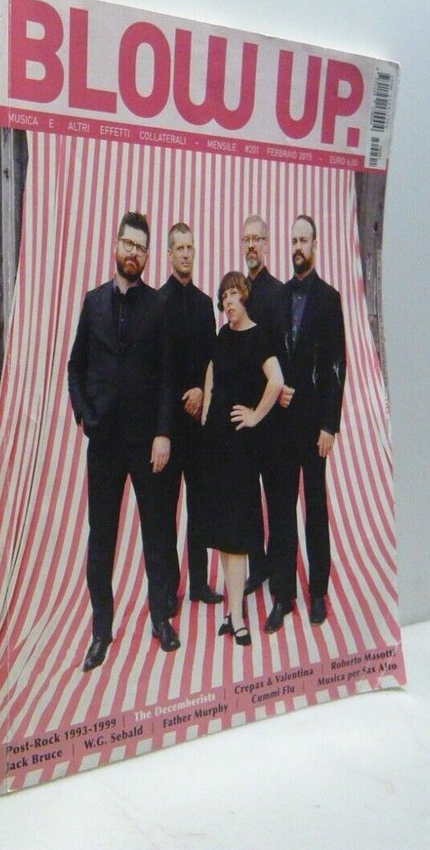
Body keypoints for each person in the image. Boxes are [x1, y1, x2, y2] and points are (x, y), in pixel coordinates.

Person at [67, 211, 179, 672]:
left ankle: (161, 618)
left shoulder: (158, 306)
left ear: (148, 256)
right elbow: (75, 367)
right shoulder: (93, 302)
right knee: (101, 538)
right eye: (128, 244)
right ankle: (101, 630)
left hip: (147, 442)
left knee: (157, 533)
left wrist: (164, 433)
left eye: (141, 248)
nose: (133, 253)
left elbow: (169, 375)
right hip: (105, 444)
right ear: (116, 245)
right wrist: (84, 415)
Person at [263, 215, 347, 632]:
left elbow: (336, 367)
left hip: (315, 428)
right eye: (293, 240)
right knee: (280, 511)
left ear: (315, 245)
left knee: (315, 509)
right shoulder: (278, 297)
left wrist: (330, 426)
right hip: (281, 426)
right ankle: (283, 596)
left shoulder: (330, 299)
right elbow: (269, 356)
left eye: (304, 240)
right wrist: (275, 388)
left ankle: (317, 593)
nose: (297, 247)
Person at [199, 272, 284, 644]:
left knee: (237, 532)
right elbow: (212, 372)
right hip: (215, 442)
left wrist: (254, 416)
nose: (228, 301)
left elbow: (276, 381)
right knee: (221, 532)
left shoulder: (259, 336)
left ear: (244, 297)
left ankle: (236, 616)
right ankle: (232, 610)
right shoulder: (222, 336)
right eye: (224, 296)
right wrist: (206, 415)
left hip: (240, 447)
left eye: (233, 294)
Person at [158, 223, 221, 605]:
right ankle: (169, 590)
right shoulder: (156, 302)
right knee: (166, 511)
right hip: (168, 426)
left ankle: (199, 584)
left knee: (199, 506)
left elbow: (213, 359)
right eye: (179, 248)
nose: (185, 254)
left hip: (198, 427)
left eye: (190, 247)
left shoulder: (203, 303)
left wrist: (201, 391)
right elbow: (156, 365)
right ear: (169, 254)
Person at [239, 214, 289, 596]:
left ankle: (280, 579)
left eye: (258, 238)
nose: (252, 245)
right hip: (245, 415)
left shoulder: (279, 293)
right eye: (247, 239)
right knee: (248, 499)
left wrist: (287, 386)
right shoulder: (237, 293)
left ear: (267, 245)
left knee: (277, 499)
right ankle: (257, 568)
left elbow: (287, 349)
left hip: (274, 416)